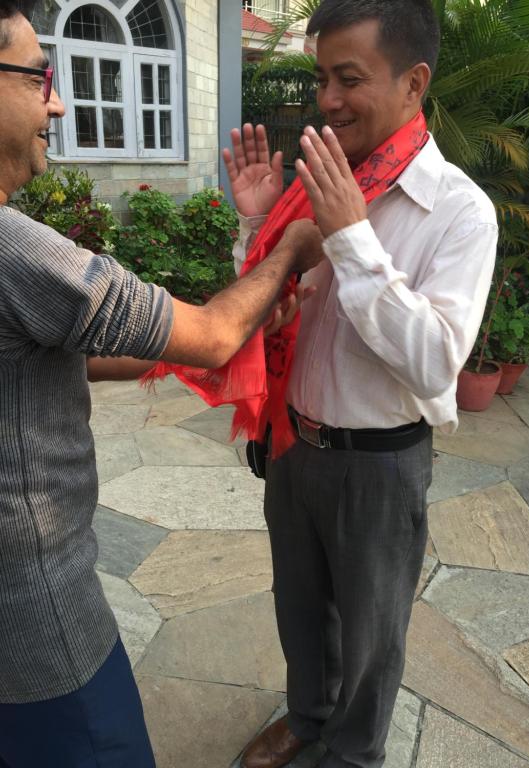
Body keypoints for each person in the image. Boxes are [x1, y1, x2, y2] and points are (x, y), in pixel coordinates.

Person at [0, 2, 323, 766]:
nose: (58, 103)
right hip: (38, 624)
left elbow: (59, 355)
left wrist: (189, 346)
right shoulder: (18, 253)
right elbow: (211, 333)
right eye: (40, 77)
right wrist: (289, 245)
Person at [226, 1, 498, 767]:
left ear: (414, 83)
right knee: (298, 605)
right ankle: (308, 716)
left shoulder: (460, 213)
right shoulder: (317, 185)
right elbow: (262, 309)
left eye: (349, 79)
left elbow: (437, 362)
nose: (328, 100)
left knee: (373, 633)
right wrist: (257, 226)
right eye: (321, 78)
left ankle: (354, 752)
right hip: (294, 443)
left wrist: (349, 237)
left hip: (379, 464)